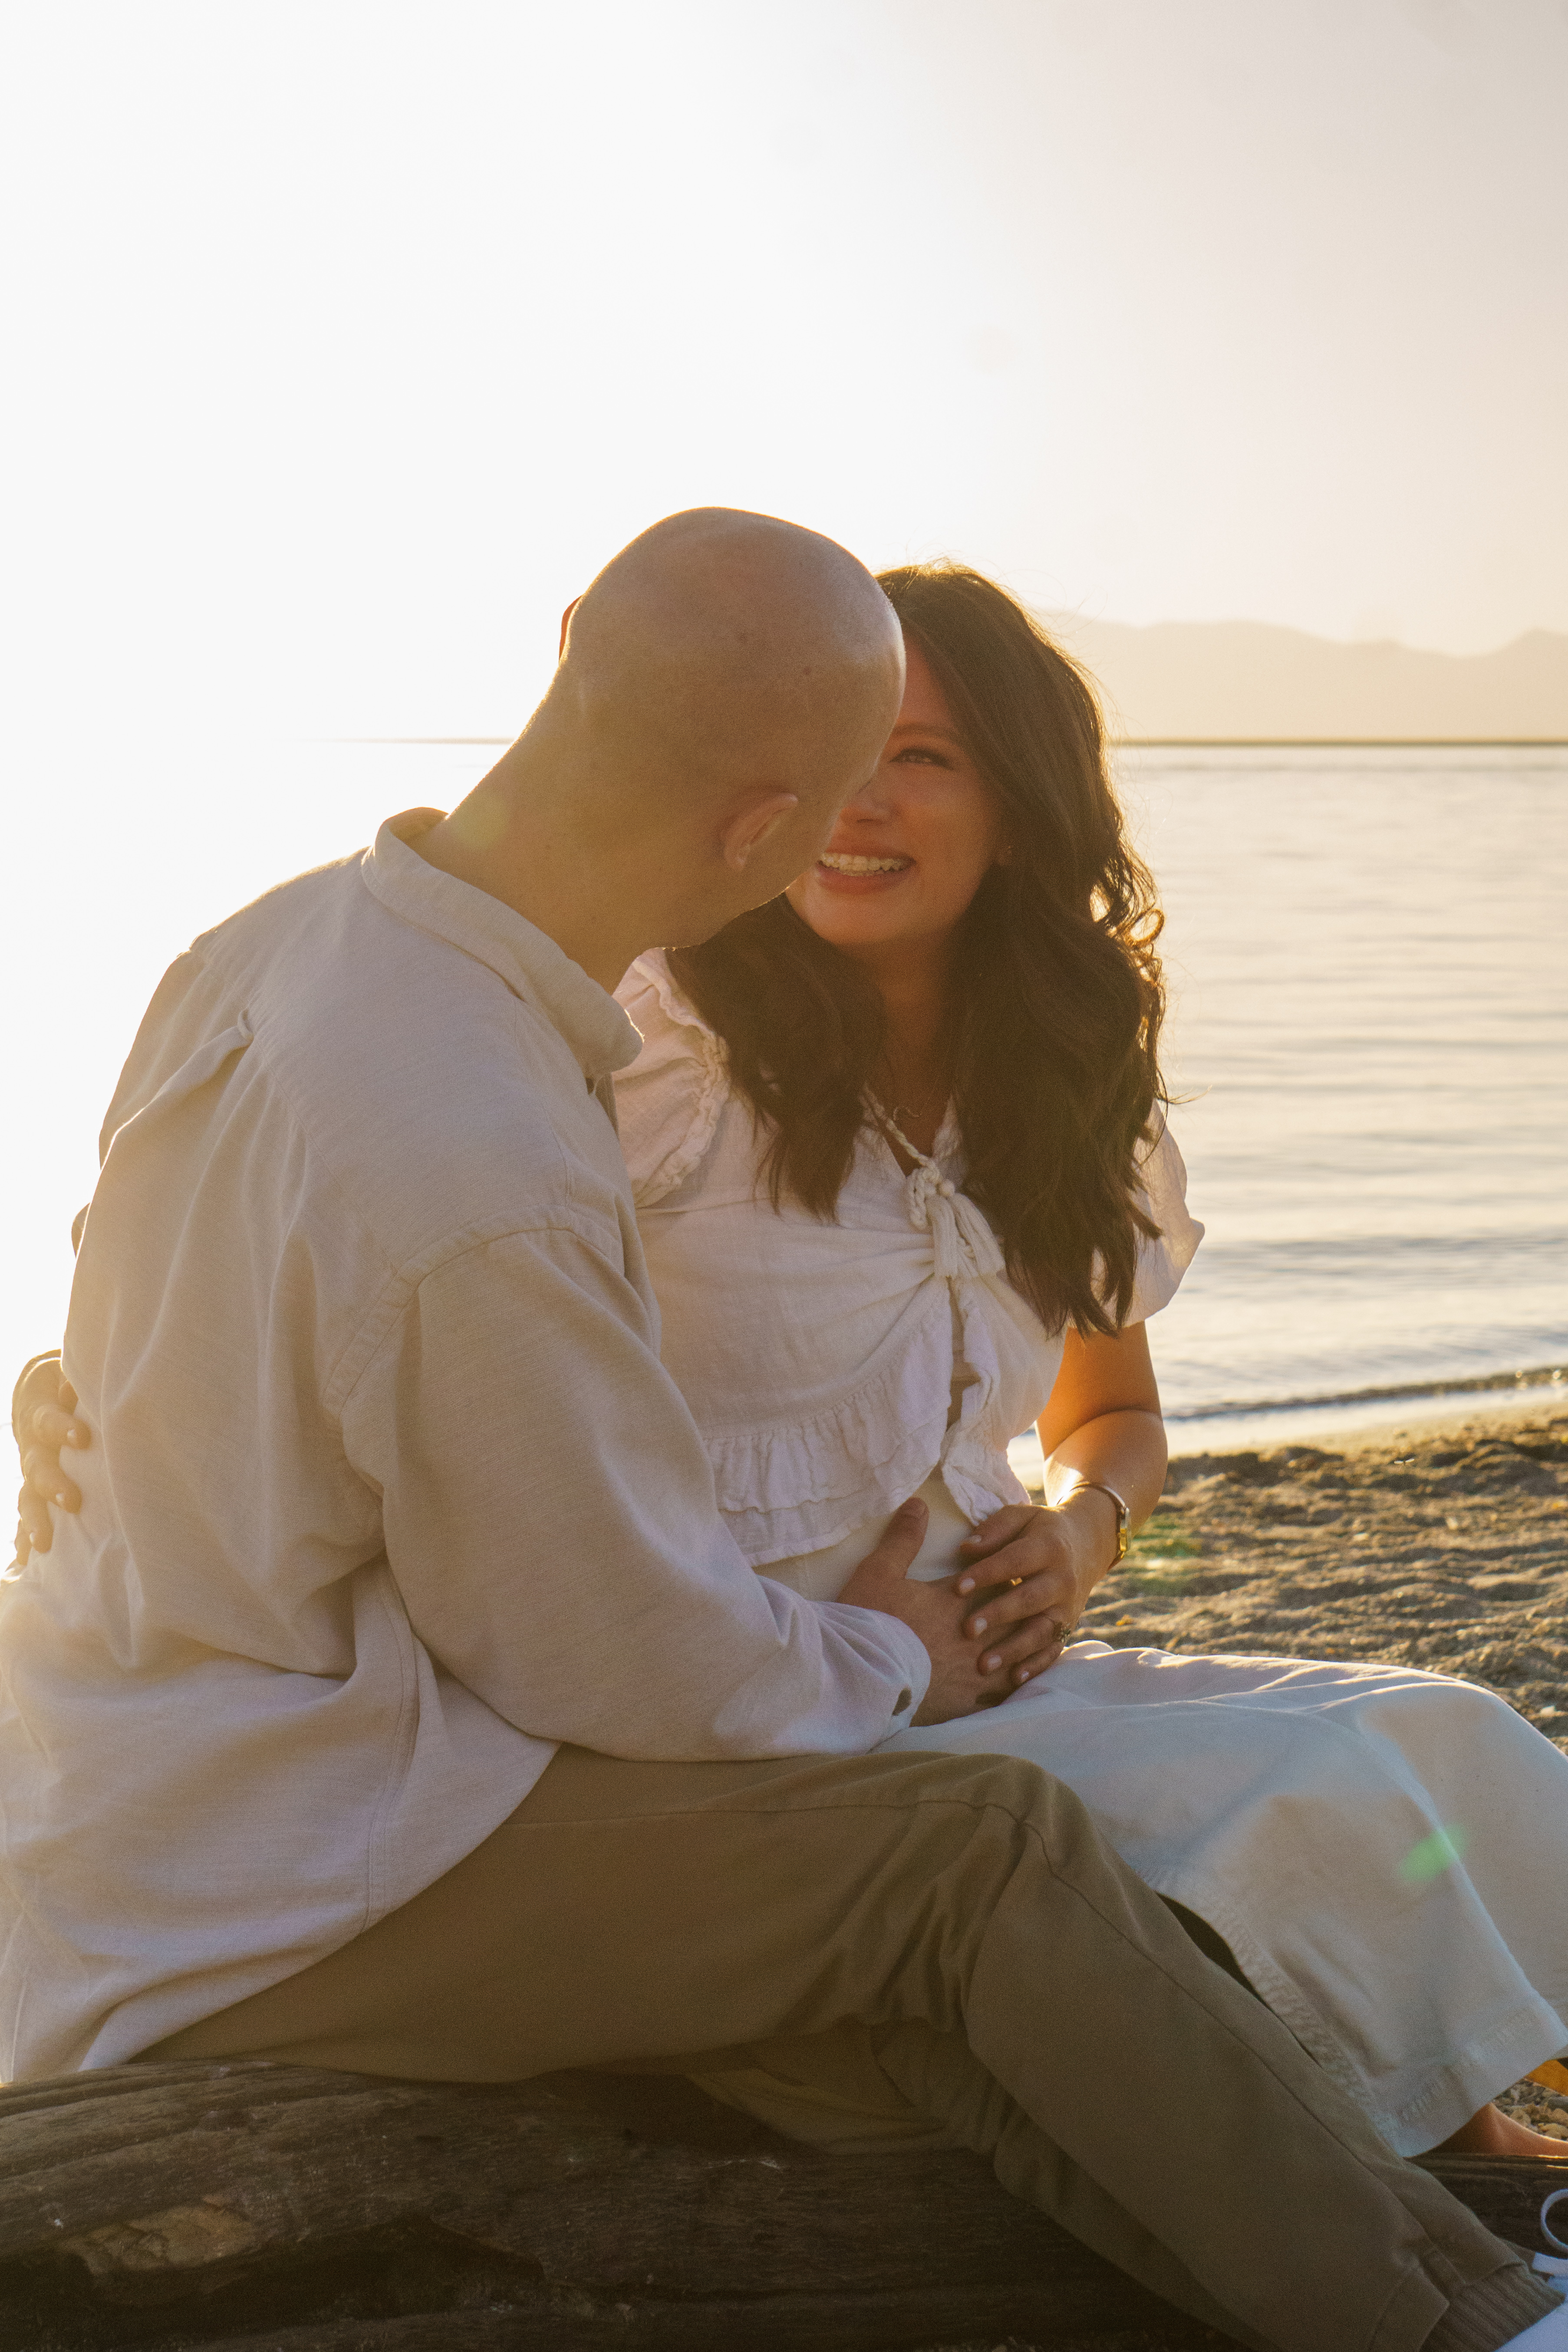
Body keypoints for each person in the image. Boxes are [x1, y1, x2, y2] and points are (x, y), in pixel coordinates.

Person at [7, 511, 1566, 2352]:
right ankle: (1479, 2323)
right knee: (975, 1863)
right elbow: (629, 1657)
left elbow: (132, 1353)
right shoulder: (493, 1152)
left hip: (163, 1748)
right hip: (293, 1840)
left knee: (985, 1970)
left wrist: (1044, 1552)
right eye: (848, 776)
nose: (862, 825)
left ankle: (1435, 2251)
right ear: (761, 833)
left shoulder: (259, 948)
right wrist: (900, 1654)